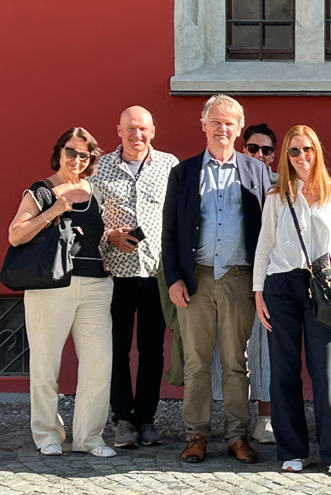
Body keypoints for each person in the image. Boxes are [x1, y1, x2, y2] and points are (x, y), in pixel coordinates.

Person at [253, 125, 331, 475]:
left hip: (325, 286)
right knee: (283, 371)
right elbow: (265, 244)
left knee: (328, 371)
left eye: (307, 149)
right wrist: (258, 292)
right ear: (286, 156)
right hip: (281, 286)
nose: (301, 156)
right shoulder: (277, 195)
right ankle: (293, 451)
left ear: (317, 151)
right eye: (294, 151)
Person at [162, 95, 271, 463]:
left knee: (236, 362)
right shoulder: (184, 172)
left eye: (229, 123)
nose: (222, 128)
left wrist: (262, 282)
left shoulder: (255, 171)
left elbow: (267, 229)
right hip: (196, 279)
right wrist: (174, 278)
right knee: (196, 363)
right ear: (203, 126)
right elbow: (169, 231)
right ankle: (196, 434)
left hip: (239, 279)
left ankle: (238, 435)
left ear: (239, 129)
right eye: (216, 122)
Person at [9, 128, 115, 457]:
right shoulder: (42, 191)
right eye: (71, 152)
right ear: (59, 152)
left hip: (96, 286)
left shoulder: (97, 192)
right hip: (51, 287)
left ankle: (89, 438)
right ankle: (47, 435)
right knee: (45, 366)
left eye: (84, 154)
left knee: (99, 363)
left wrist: (117, 237)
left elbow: (104, 234)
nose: (77, 159)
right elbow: (15, 235)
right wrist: (53, 211)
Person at [90, 106, 178, 449]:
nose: (136, 135)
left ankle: (146, 418)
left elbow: (177, 217)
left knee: (152, 349)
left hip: (156, 273)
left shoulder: (169, 165)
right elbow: (88, 221)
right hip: (115, 274)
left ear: (152, 131)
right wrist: (109, 235)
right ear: (119, 130)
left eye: (142, 128)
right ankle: (122, 419)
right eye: (130, 128)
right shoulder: (100, 168)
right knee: (116, 349)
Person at [210, 123, 280, 445]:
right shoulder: (227, 181)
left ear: (273, 155)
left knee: (266, 347)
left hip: (271, 277)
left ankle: (266, 418)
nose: (259, 155)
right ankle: (230, 419)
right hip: (234, 272)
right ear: (243, 149)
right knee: (229, 347)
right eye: (253, 148)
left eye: (266, 150)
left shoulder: (282, 186)